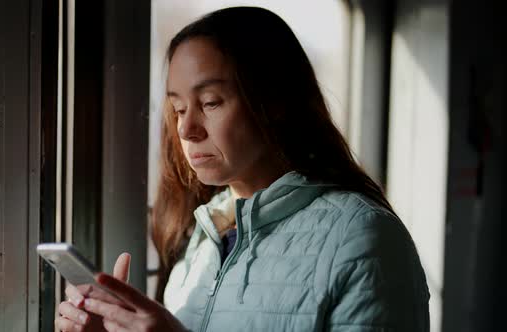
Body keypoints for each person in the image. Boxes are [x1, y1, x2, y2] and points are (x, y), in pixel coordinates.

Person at [55, 6, 430, 332]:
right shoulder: (199, 240)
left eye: (211, 102)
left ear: (276, 102)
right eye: (179, 109)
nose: (186, 130)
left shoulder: (363, 237)